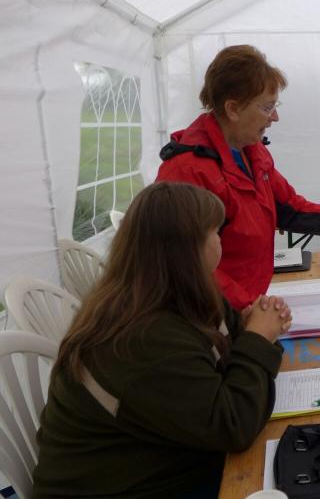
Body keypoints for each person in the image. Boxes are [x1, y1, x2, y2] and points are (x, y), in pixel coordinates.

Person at [33, 182, 292, 498]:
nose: (221, 239)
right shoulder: (140, 337)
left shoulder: (165, 294)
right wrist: (259, 336)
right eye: (216, 232)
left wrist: (258, 332)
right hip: (129, 487)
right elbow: (233, 425)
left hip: (159, 461)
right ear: (188, 249)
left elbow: (237, 346)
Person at [157, 45, 320, 310]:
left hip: (249, 303)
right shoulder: (186, 172)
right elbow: (187, 265)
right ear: (233, 109)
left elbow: (290, 207)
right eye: (267, 107)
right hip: (211, 313)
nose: (275, 116)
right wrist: (248, 311)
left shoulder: (253, 153)